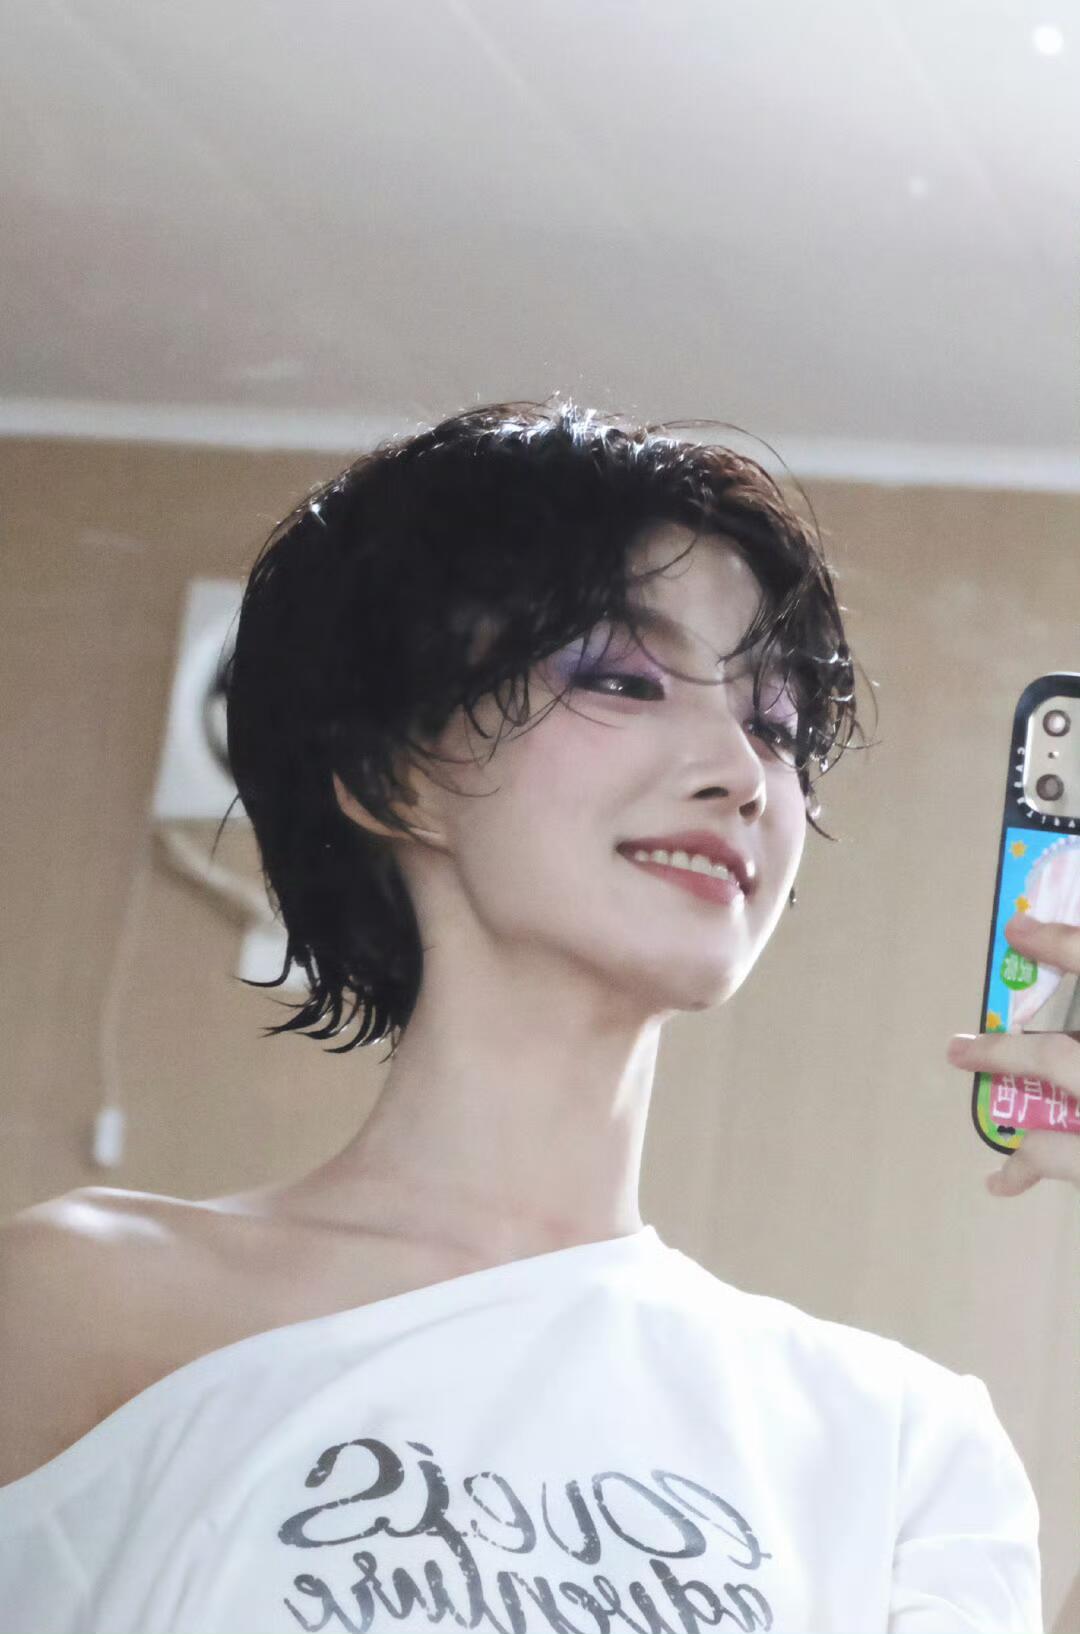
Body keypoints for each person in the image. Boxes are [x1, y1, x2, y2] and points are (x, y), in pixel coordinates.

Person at [0, 400, 1076, 1633]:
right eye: (624, 677)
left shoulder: (894, 1443)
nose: (740, 771)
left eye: (774, 725)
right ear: (391, 770)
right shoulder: (84, 1299)